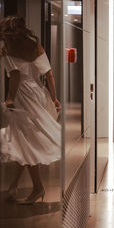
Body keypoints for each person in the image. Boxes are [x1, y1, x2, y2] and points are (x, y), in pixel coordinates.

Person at [0, 15, 61, 204]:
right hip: (37, 91)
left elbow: (15, 75)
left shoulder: (7, 49)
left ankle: (37, 187)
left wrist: (10, 98)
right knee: (23, 139)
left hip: (22, 95)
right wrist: (54, 97)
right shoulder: (34, 45)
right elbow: (48, 73)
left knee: (25, 141)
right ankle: (14, 186)